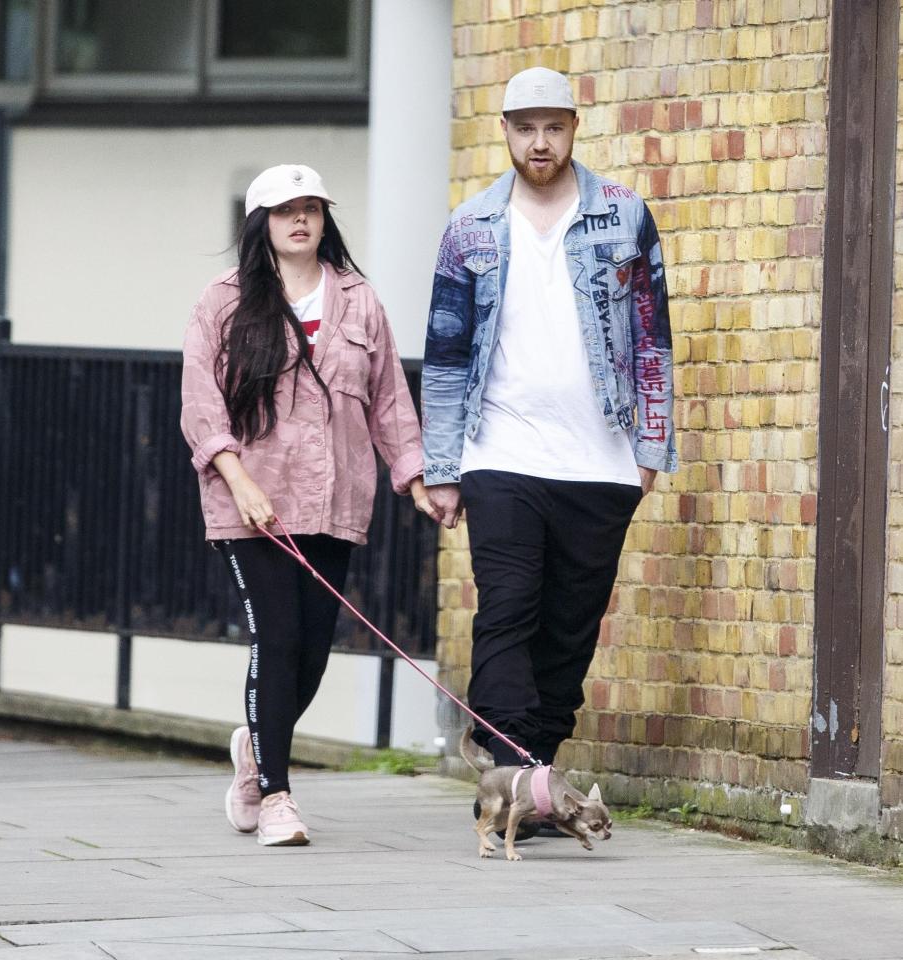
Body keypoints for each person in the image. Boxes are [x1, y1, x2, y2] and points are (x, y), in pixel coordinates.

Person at [422, 68, 678, 776]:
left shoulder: (625, 214)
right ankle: (507, 759)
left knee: (569, 627)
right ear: (504, 131)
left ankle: (533, 765)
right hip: (499, 450)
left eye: (554, 127)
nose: (540, 142)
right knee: (507, 607)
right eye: (526, 128)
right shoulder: (470, 225)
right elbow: (444, 355)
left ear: (573, 128)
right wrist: (442, 468)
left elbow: (653, 337)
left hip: (601, 457)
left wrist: (650, 444)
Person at [182, 164, 436, 846]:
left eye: (311, 209)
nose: (300, 220)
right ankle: (278, 799)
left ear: (324, 219)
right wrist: (238, 480)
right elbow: (201, 405)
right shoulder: (224, 301)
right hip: (252, 505)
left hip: (334, 502)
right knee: (278, 637)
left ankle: (254, 754)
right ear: (260, 222)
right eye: (285, 210)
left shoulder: (359, 301)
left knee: (313, 654)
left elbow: (389, 403)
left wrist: (416, 479)